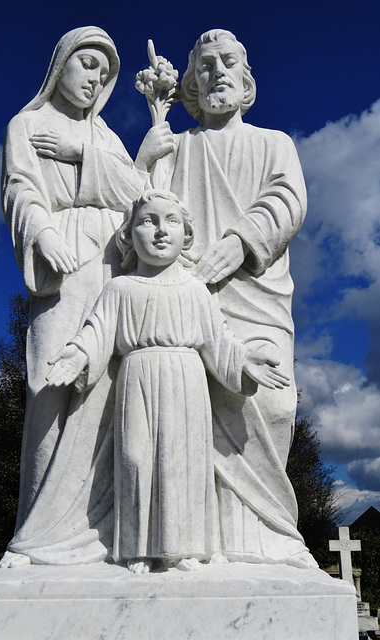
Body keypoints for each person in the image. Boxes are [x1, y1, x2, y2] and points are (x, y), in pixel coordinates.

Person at [46, 189, 290, 574]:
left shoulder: (195, 290)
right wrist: (77, 355)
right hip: (137, 379)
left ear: (186, 234)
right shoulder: (119, 288)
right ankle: (136, 548)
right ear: (129, 234)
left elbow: (219, 340)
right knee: (136, 460)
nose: (160, 231)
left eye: (171, 221)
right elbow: (96, 332)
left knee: (184, 463)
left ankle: (186, 547)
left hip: (187, 382)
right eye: (148, 221)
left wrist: (245, 362)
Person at [143, 29, 316, 567]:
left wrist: (242, 242)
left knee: (273, 401)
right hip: (193, 300)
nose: (217, 71)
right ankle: (201, 543)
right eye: (206, 64)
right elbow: (148, 205)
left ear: (245, 80)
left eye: (228, 62)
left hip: (257, 296)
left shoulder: (273, 143)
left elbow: (289, 199)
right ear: (192, 81)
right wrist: (155, 123)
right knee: (189, 412)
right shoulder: (182, 145)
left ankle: (265, 536)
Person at [0, 27, 148, 566]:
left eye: (104, 72)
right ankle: (35, 533)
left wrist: (80, 151)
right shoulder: (27, 124)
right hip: (62, 264)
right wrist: (42, 233)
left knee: (108, 393)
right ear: (60, 64)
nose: (95, 78)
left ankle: (105, 531)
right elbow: (20, 187)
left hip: (113, 264)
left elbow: (136, 195)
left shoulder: (105, 136)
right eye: (87, 64)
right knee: (48, 386)